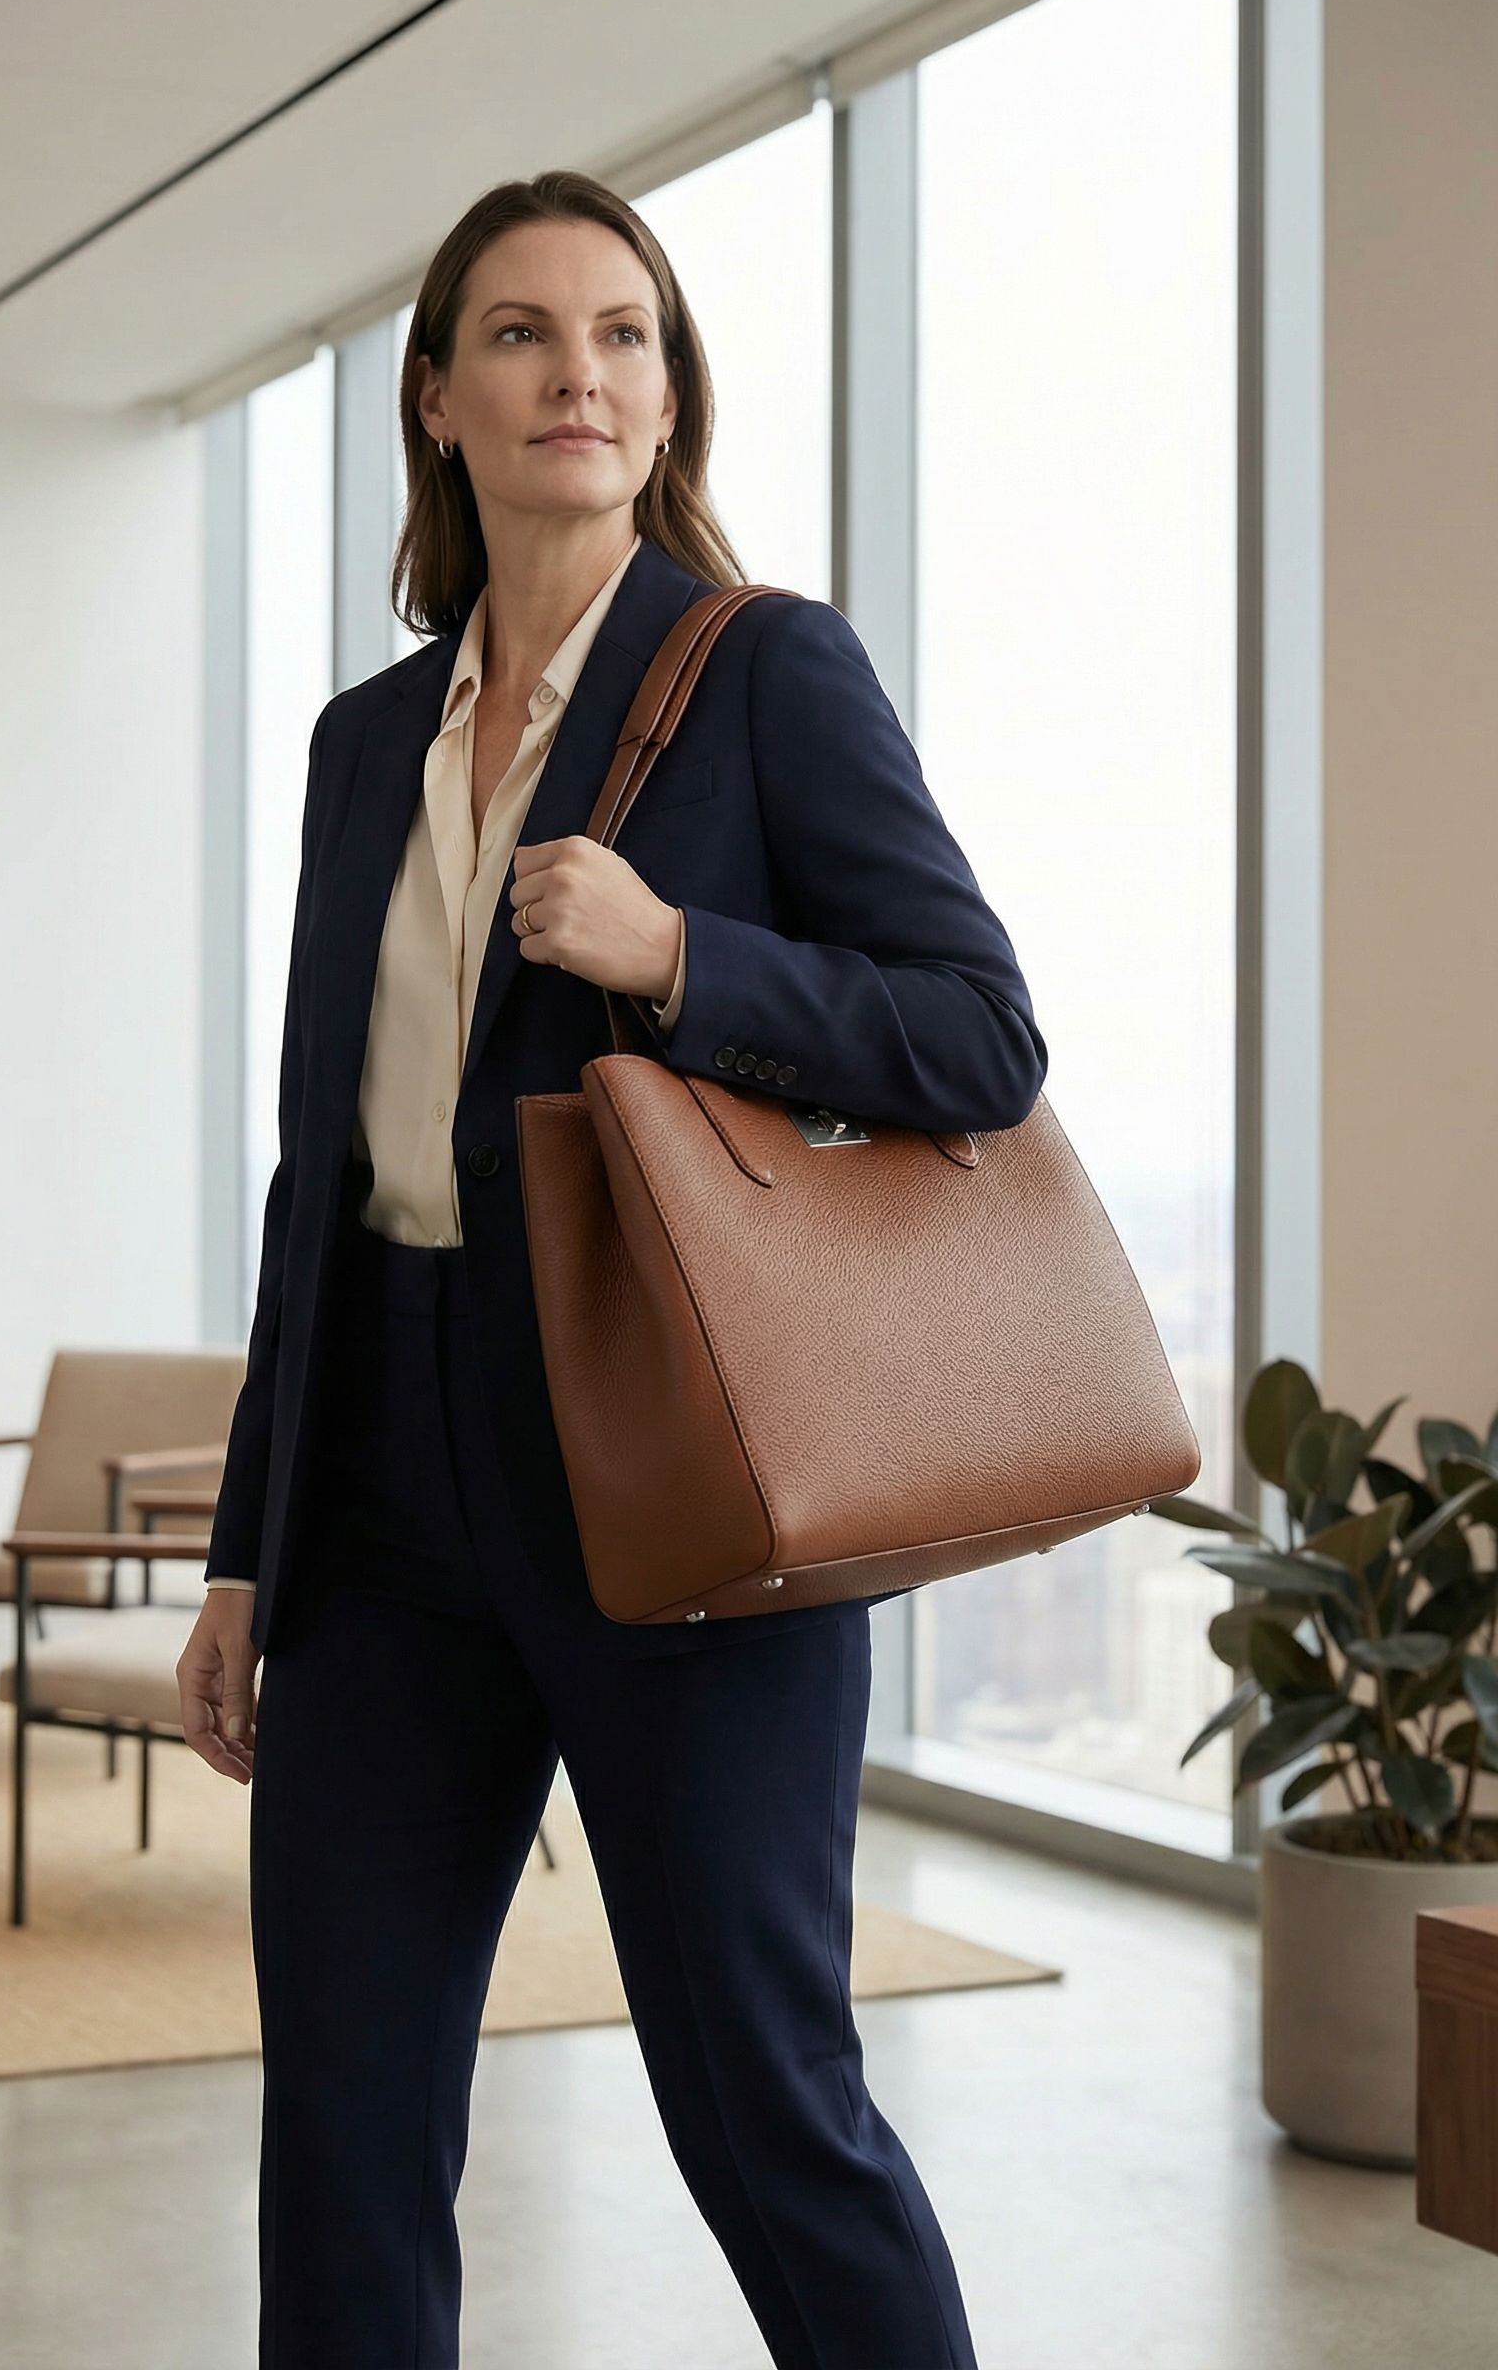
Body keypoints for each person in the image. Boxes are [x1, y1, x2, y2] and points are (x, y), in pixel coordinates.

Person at [178, 167, 1044, 2370]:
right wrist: (242, 1550)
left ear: (668, 404)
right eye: (523, 333)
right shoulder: (361, 742)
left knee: (761, 2099)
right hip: (381, 1482)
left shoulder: (761, 674)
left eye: (623, 336)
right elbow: (320, 1172)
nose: (579, 373)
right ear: (437, 401)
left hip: (672, 1466)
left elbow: (976, 1035)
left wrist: (679, 962)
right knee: (347, 2118)